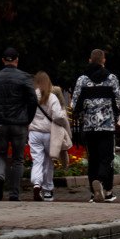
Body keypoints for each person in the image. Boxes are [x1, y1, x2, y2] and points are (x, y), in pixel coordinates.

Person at [71, 49, 120, 203]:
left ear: (89, 60)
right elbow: (119, 102)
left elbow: (75, 104)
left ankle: (94, 194)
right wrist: (114, 117)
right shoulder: (112, 78)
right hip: (106, 126)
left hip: (89, 126)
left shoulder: (82, 80)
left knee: (93, 159)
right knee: (107, 158)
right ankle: (105, 188)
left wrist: (83, 116)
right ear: (103, 61)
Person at [0, 47, 38, 201]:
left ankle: (0, 176)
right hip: (19, 122)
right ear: (17, 59)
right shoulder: (25, 77)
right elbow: (33, 100)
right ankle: (14, 194)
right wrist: (27, 119)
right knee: (18, 158)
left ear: (3, 60)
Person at [28, 71, 69, 202]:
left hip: (34, 132)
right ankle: (47, 191)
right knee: (48, 162)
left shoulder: (32, 96)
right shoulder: (52, 97)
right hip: (49, 133)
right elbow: (57, 116)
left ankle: (36, 183)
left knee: (37, 160)